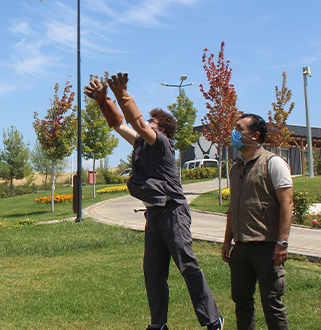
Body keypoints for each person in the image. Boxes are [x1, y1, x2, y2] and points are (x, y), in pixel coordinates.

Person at [84, 72, 223, 330]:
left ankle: (213, 320)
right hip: (154, 216)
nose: (147, 122)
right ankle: (158, 324)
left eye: (153, 121)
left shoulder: (162, 144)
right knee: (154, 273)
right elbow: (119, 124)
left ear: (162, 129)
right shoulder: (141, 144)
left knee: (187, 266)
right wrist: (104, 102)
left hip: (173, 213)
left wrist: (122, 94)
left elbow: (135, 121)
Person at [222, 113, 294, 330]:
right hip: (241, 248)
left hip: (267, 247)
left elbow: (287, 204)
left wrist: (282, 243)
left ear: (255, 136)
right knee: (242, 302)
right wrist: (227, 241)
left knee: (272, 303)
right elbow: (232, 209)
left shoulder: (274, 163)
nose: (233, 133)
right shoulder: (236, 168)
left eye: (239, 128)